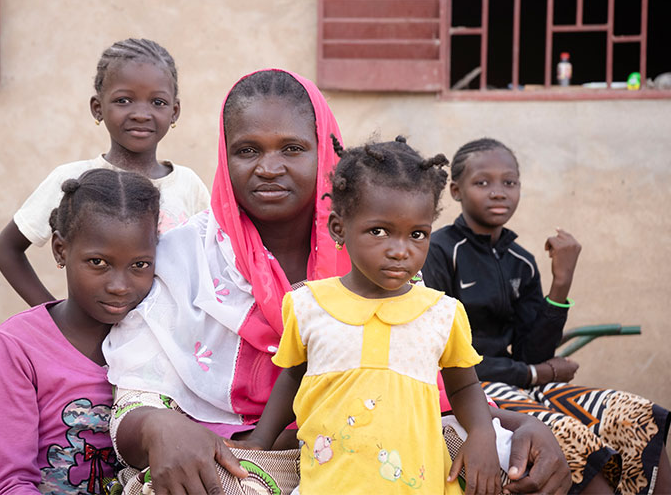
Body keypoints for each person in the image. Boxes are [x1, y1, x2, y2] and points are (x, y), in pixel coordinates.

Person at [104, 70, 572, 495]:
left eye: (292, 148)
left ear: (324, 150)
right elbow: (139, 392)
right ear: (225, 157)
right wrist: (157, 428)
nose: (269, 168)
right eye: (248, 150)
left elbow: (423, 382)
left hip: (387, 445)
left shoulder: (382, 249)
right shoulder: (185, 256)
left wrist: (511, 426)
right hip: (239, 457)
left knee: (522, 462)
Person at [245, 136, 502, 494]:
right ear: (339, 228)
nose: (400, 251)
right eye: (379, 232)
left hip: (418, 486)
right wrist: (259, 442)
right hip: (328, 485)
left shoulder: (441, 313)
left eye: (417, 234)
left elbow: (465, 386)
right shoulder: (309, 305)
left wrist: (482, 434)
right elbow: (293, 377)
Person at [422, 137, 671, 495]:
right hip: (475, 389)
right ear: (457, 191)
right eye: (483, 182)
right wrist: (534, 372)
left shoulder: (520, 260)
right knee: (564, 433)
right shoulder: (439, 251)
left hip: (520, 382)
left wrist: (561, 282)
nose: (498, 192)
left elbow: (532, 350)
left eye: (509, 182)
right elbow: (443, 356)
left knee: (633, 413)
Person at [0, 169, 160, 494]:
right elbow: (9, 482)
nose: (120, 286)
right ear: (61, 250)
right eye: (98, 262)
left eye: (139, 265)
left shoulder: (158, 342)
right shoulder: (17, 346)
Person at [0, 38, 209, 307]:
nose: (141, 113)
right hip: (93, 341)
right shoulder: (72, 180)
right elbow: (6, 250)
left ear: (174, 112)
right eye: (124, 100)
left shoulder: (189, 185)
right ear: (98, 108)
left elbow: (210, 263)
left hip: (172, 342)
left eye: (158, 102)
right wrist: (52, 317)